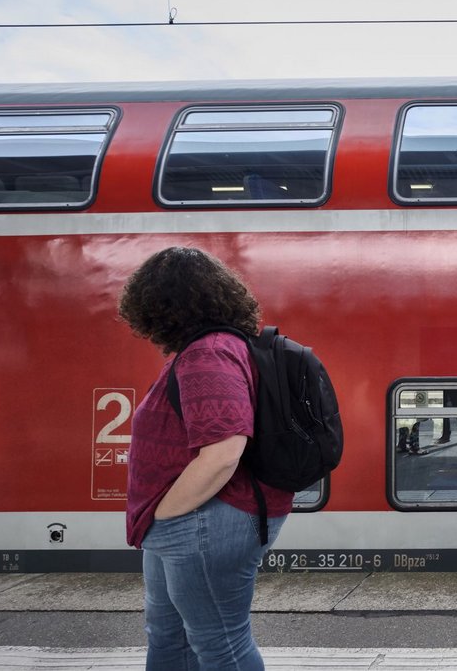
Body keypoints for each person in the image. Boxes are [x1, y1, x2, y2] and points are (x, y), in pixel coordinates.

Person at [119, 246, 293, 670]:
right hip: (191, 524)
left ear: (161, 308)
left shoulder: (209, 354)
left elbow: (222, 452)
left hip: (204, 522)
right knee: (169, 639)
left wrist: (165, 515)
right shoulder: (214, 348)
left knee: (221, 647)